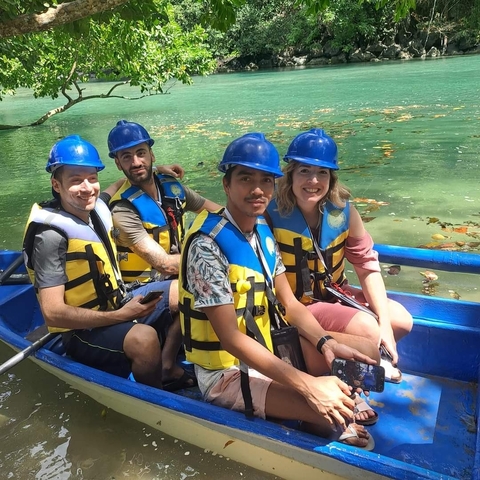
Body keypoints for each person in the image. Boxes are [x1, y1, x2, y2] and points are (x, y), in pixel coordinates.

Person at [178, 132, 381, 449]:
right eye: (246, 178)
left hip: (269, 346)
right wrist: (308, 385)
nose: (257, 190)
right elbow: (230, 339)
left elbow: (289, 304)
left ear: (275, 186)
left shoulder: (261, 229)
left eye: (266, 181)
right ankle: (316, 423)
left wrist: (324, 342)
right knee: (331, 412)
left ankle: (313, 410)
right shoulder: (207, 246)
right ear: (227, 184)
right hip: (227, 372)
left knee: (364, 355)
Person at [22, 135, 183, 389]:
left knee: (187, 287)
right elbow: (53, 312)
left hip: (117, 303)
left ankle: (166, 365)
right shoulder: (50, 237)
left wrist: (157, 170)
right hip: (81, 332)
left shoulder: (95, 207)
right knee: (144, 338)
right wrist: (120, 316)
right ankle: (158, 398)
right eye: (76, 181)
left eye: (92, 178)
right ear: (56, 184)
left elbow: (120, 183)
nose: (87, 187)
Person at [266, 129, 413, 383]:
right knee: (367, 328)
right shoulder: (270, 214)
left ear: (331, 177)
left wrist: (386, 327)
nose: (313, 181)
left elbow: (366, 267)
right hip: (295, 305)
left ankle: (349, 355)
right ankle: (352, 382)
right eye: (304, 171)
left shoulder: (344, 212)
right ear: (290, 175)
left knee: (400, 320)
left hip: (332, 295)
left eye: (322, 172)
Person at [103, 120, 222, 390]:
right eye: (126, 157)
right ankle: (167, 366)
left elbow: (216, 212)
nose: (135, 162)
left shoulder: (171, 187)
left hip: (170, 283)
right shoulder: (122, 209)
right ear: (118, 164)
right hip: (136, 292)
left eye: (141, 153)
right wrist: (212, 260)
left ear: (152, 155)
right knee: (197, 286)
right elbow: (165, 264)